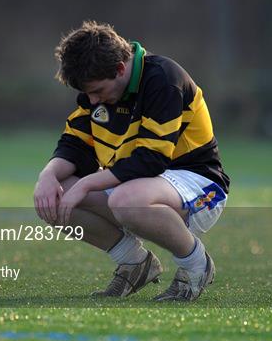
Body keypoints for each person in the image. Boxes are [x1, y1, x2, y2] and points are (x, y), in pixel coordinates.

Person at [34, 21, 230, 301]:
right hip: (140, 182)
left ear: (120, 69)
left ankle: (197, 266)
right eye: (88, 93)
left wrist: (87, 184)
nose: (92, 100)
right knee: (56, 195)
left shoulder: (163, 78)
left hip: (198, 184)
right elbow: (74, 145)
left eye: (97, 91)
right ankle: (135, 263)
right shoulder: (98, 91)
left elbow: (152, 159)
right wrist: (47, 177)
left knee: (125, 199)